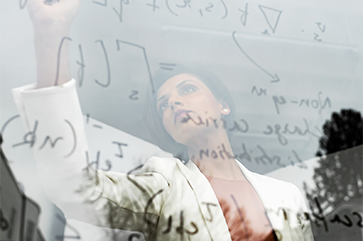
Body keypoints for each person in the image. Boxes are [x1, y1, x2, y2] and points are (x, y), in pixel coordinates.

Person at [12, 0, 314, 240]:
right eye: (164, 105)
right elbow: (74, 187)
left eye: (188, 89)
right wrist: (50, 38)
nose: (174, 103)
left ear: (223, 105)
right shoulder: (166, 185)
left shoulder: (287, 196)